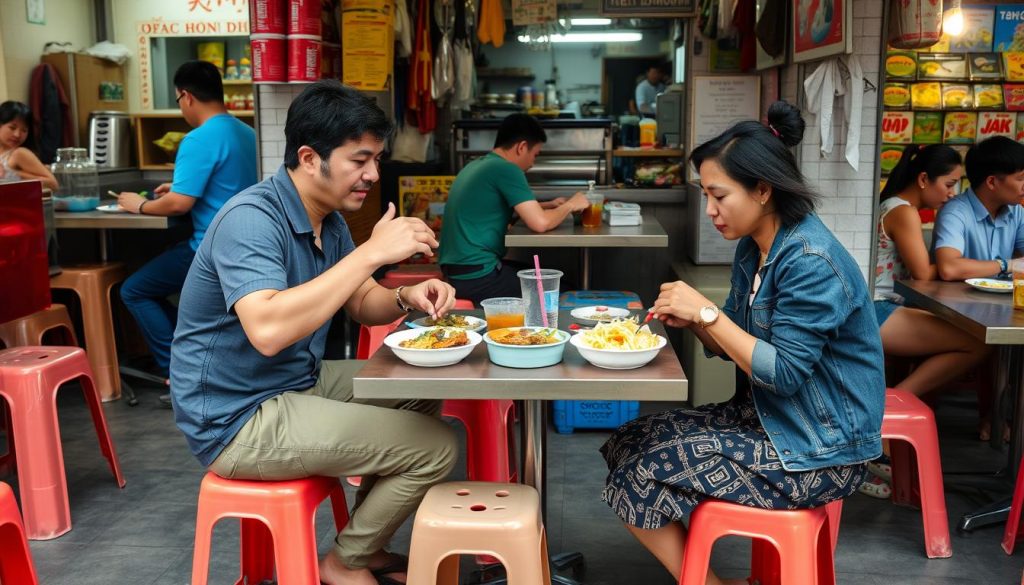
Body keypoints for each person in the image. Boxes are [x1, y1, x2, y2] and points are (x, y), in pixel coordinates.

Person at [170, 80, 457, 585]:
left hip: (294, 382)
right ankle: (343, 564)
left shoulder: (328, 220)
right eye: (360, 160)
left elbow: (361, 301)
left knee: (420, 387)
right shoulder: (251, 219)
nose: (373, 174)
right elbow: (267, 330)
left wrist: (404, 296)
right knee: (436, 447)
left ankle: (366, 546)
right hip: (237, 416)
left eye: (376, 160)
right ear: (309, 158)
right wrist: (372, 252)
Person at [600, 101, 884, 585]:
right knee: (628, 440)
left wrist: (705, 313)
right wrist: (693, 322)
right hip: (771, 420)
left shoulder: (811, 261)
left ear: (763, 190)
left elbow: (785, 374)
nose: (710, 210)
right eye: (705, 195)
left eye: (719, 196)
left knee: (640, 471)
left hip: (819, 449)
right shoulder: (754, 248)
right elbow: (728, 339)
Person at [116, 60, 258, 400]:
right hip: (247, 243)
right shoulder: (248, 133)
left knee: (135, 290)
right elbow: (223, 183)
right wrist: (179, 186)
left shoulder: (197, 139)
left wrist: (139, 205)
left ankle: (179, 373)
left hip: (208, 249)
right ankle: (197, 359)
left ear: (186, 96)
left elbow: (179, 204)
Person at [862, 145, 989, 498]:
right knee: (976, 341)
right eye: (948, 184)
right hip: (877, 312)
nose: (952, 193)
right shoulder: (903, 211)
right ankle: (889, 411)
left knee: (972, 338)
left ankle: (890, 411)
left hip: (879, 309)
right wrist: (967, 264)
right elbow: (925, 272)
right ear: (923, 179)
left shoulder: (897, 206)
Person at [438, 113, 588, 305]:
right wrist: (572, 204)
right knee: (563, 290)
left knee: (538, 273)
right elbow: (540, 223)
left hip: (458, 271)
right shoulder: (506, 169)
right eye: (535, 155)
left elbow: (493, 209)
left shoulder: (477, 165)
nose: (532, 163)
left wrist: (547, 205)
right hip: (478, 276)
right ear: (521, 147)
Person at [933, 136, 1024, 282]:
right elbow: (949, 268)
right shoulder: (955, 212)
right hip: (957, 296)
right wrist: (1007, 265)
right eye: (1021, 179)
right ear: (992, 182)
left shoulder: (1017, 211)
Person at [0, 101, 58, 189]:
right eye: (12, 128)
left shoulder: (19, 153)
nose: (17, 135)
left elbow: (53, 184)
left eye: (24, 130)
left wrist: (13, 174)